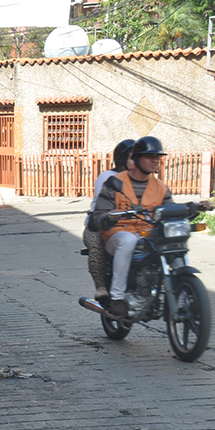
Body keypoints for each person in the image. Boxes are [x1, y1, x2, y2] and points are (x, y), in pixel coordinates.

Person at [92, 136, 174, 321]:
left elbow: (169, 208)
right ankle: (118, 298)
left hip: (147, 234)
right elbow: (99, 213)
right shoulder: (115, 182)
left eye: (157, 157)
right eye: (149, 156)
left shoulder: (160, 187)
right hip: (117, 235)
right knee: (129, 240)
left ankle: (168, 288)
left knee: (170, 240)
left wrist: (194, 207)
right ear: (136, 159)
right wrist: (108, 216)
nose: (155, 160)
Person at [84, 139, 134, 306]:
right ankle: (101, 288)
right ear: (122, 160)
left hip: (133, 225)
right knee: (96, 243)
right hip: (99, 225)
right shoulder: (108, 177)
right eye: (132, 158)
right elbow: (103, 203)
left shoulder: (142, 178)